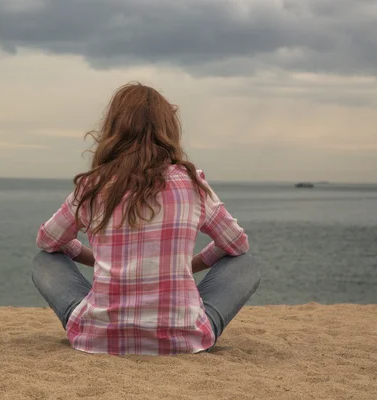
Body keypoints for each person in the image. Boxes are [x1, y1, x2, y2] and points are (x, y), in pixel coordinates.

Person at [32, 82, 260, 355]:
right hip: (182, 339)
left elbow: (48, 241)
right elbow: (237, 245)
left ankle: (97, 324)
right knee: (246, 264)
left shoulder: (93, 186)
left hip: (99, 339)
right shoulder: (192, 184)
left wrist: (99, 259)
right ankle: (184, 323)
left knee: (44, 260)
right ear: (168, 130)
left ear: (114, 129)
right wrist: (188, 264)